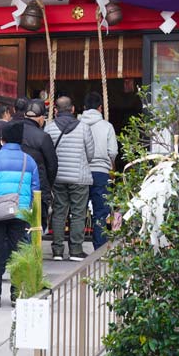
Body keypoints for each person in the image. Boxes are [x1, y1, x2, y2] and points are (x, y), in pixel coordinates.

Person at [0, 122, 39, 308]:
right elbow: (36, 189)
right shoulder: (30, 161)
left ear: (2, 140)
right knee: (17, 252)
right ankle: (15, 295)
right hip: (20, 213)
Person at [45, 96, 95, 261]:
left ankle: (57, 250)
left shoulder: (50, 129)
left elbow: (46, 155)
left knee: (59, 212)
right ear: (73, 109)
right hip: (79, 177)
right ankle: (75, 250)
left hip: (58, 177)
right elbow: (90, 154)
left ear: (55, 110)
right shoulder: (84, 128)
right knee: (78, 213)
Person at [80, 92, 118, 250]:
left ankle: (75, 247)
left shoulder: (77, 124)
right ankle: (99, 247)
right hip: (101, 173)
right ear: (100, 108)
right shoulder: (107, 126)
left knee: (78, 211)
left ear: (83, 108)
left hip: (80, 172)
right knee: (100, 211)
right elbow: (113, 152)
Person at [19, 100, 58, 228]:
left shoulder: (12, 131)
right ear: (41, 118)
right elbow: (52, 165)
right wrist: (47, 185)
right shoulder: (43, 137)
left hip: (13, 187)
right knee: (35, 227)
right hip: (37, 188)